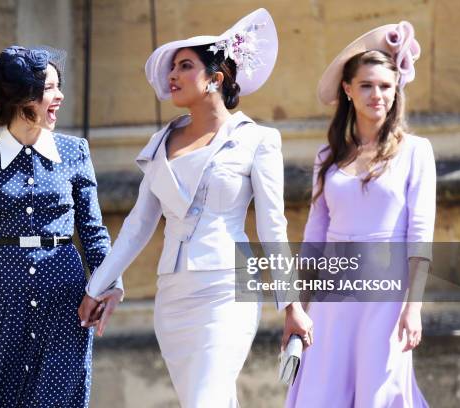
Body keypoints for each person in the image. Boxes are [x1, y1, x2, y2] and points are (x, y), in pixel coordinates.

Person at [78, 9, 313, 408]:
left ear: (215, 78)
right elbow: (138, 226)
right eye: (172, 67)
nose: (172, 75)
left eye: (185, 66)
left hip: (228, 287)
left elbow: (273, 225)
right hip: (172, 295)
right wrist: (96, 287)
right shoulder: (159, 142)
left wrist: (292, 306)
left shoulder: (258, 139)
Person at [0, 45, 123, 407]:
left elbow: (92, 231)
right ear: (22, 96)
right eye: (50, 88)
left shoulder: (76, 152)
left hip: (65, 298)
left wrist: (109, 284)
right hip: (3, 298)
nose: (59, 96)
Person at [285, 21, 433, 407]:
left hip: (386, 298)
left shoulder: (417, 152)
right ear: (348, 90)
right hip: (331, 299)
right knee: (322, 393)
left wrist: (412, 309)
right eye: (366, 85)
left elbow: (421, 234)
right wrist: (297, 309)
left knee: (379, 393)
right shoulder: (327, 157)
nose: (377, 95)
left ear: (396, 89)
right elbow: (314, 239)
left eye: (385, 86)